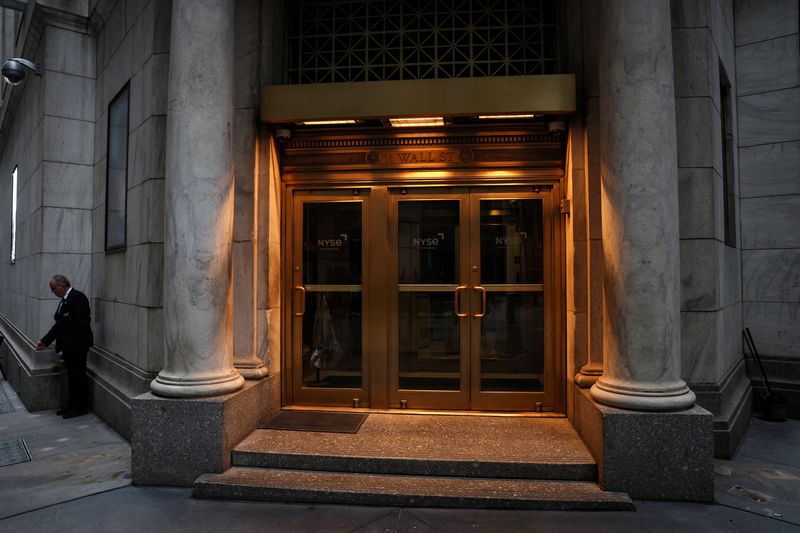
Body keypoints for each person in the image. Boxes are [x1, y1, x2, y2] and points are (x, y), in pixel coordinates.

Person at [35, 275, 93, 419]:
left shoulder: (78, 298)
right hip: (68, 346)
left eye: (54, 288)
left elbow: (83, 324)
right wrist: (45, 341)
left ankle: (80, 408)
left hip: (77, 347)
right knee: (72, 377)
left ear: (62, 285)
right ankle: (72, 406)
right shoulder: (65, 300)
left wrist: (78, 345)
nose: (53, 291)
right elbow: (59, 325)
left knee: (78, 376)